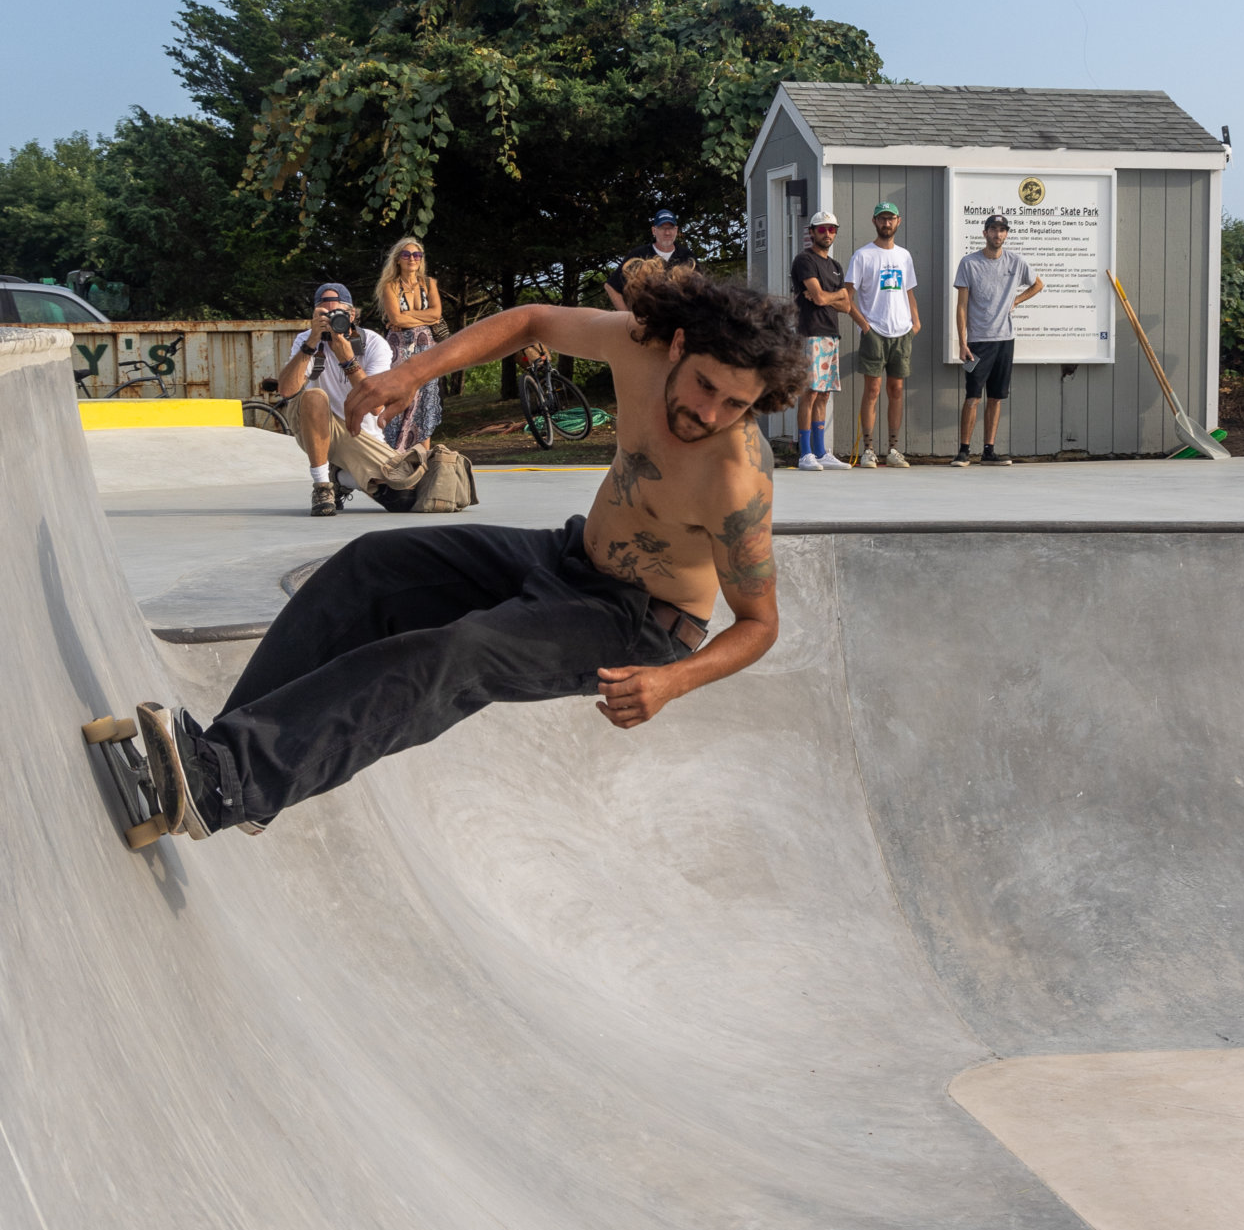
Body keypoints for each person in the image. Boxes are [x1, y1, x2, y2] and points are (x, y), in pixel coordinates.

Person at [123, 269, 800, 842]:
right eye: (704, 386)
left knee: (455, 654)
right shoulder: (637, 347)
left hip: (640, 623)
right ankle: (222, 758)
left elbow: (758, 623)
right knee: (370, 568)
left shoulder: (735, 475)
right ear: (678, 345)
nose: (707, 414)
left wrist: (672, 681)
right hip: (568, 556)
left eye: (735, 404)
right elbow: (531, 320)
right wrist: (412, 371)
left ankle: (229, 785)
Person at [275, 282, 445, 519]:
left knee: (403, 496)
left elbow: (376, 406)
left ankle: (339, 477)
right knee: (313, 396)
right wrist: (311, 343)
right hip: (318, 428)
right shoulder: (306, 340)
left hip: (359, 433)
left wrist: (347, 359)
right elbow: (286, 390)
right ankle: (322, 486)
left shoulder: (374, 344)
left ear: (352, 314)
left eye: (337, 313)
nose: (331, 320)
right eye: (323, 314)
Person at [952, 212, 1042, 465]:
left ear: (1006, 234)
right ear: (985, 233)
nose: (998, 234)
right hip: (978, 342)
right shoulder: (969, 263)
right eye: (993, 229)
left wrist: (1016, 300)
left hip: (1005, 340)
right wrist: (962, 342)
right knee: (973, 396)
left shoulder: (1015, 261)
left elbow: (1037, 284)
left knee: (996, 396)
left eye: (1002, 230)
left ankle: (988, 451)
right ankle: (963, 451)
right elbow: (961, 306)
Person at [846, 202, 921, 467]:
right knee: (873, 389)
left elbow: (908, 290)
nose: (886, 223)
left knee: (897, 389)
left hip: (902, 331)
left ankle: (893, 449)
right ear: (874, 221)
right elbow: (847, 296)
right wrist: (864, 325)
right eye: (882, 219)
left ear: (898, 221)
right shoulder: (863, 255)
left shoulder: (904, 255)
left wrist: (916, 322)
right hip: (874, 330)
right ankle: (869, 449)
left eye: (890, 219)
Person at [790, 210, 855, 470]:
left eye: (832, 229)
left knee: (825, 394)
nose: (827, 233)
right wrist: (834, 296)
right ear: (811, 232)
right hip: (810, 333)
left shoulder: (835, 266)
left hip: (830, 333)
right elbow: (818, 298)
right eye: (822, 229)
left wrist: (833, 296)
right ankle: (805, 453)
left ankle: (820, 452)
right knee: (810, 391)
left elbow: (846, 305)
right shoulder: (804, 260)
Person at [373, 235, 445, 450]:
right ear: (398, 259)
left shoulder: (429, 283)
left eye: (416, 254)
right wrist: (424, 316)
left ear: (421, 259)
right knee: (398, 394)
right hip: (399, 347)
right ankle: (393, 452)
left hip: (426, 347)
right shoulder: (390, 286)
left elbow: (437, 314)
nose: (412, 258)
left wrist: (408, 316)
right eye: (406, 254)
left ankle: (422, 455)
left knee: (425, 399)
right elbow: (395, 319)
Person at [602, 210, 693, 311]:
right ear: (654, 230)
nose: (667, 232)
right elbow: (610, 286)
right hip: (646, 322)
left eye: (670, 228)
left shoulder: (687, 256)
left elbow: (701, 292)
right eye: (662, 228)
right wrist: (626, 317)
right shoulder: (638, 255)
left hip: (680, 321)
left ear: (676, 230)